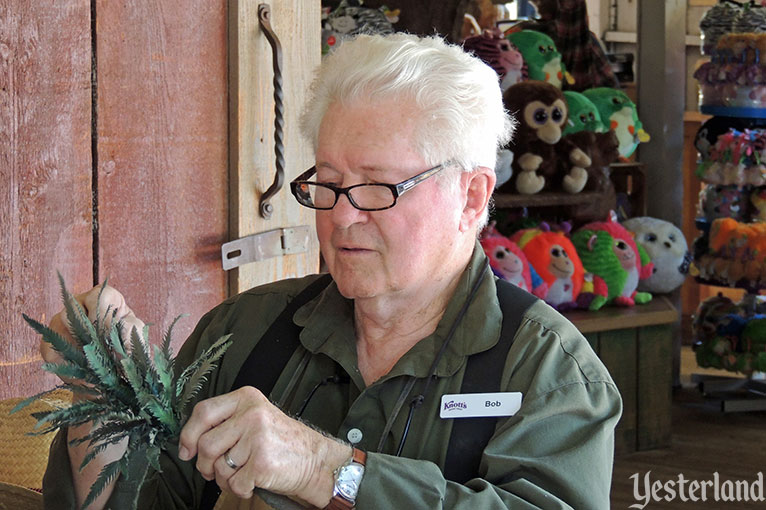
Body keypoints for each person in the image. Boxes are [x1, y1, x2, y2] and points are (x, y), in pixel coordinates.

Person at [40, 33, 622, 510]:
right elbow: (143, 499)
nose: (342, 217)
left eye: (376, 188)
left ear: (470, 197)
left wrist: (325, 469)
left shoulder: (550, 373)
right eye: (329, 184)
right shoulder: (240, 333)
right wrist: (101, 396)